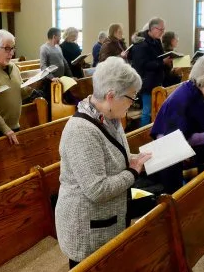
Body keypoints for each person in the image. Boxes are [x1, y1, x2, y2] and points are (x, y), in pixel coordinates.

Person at [55, 56, 152, 268]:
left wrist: (135, 159)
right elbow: (97, 189)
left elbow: (110, 157)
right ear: (110, 96)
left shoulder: (110, 117)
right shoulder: (81, 131)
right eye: (130, 98)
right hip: (87, 226)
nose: (132, 104)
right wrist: (133, 172)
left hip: (109, 215)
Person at [151, 55, 204, 193]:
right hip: (169, 162)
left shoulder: (201, 94)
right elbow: (172, 141)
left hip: (186, 154)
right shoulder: (183, 99)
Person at [131, 17, 172, 126]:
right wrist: (162, 63)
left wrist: (166, 62)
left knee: (157, 110)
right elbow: (142, 65)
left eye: (164, 30)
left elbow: (158, 58)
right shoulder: (141, 43)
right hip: (147, 82)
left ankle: (154, 133)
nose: (163, 32)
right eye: (161, 29)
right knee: (147, 112)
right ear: (153, 28)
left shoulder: (157, 41)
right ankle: (142, 136)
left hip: (156, 80)